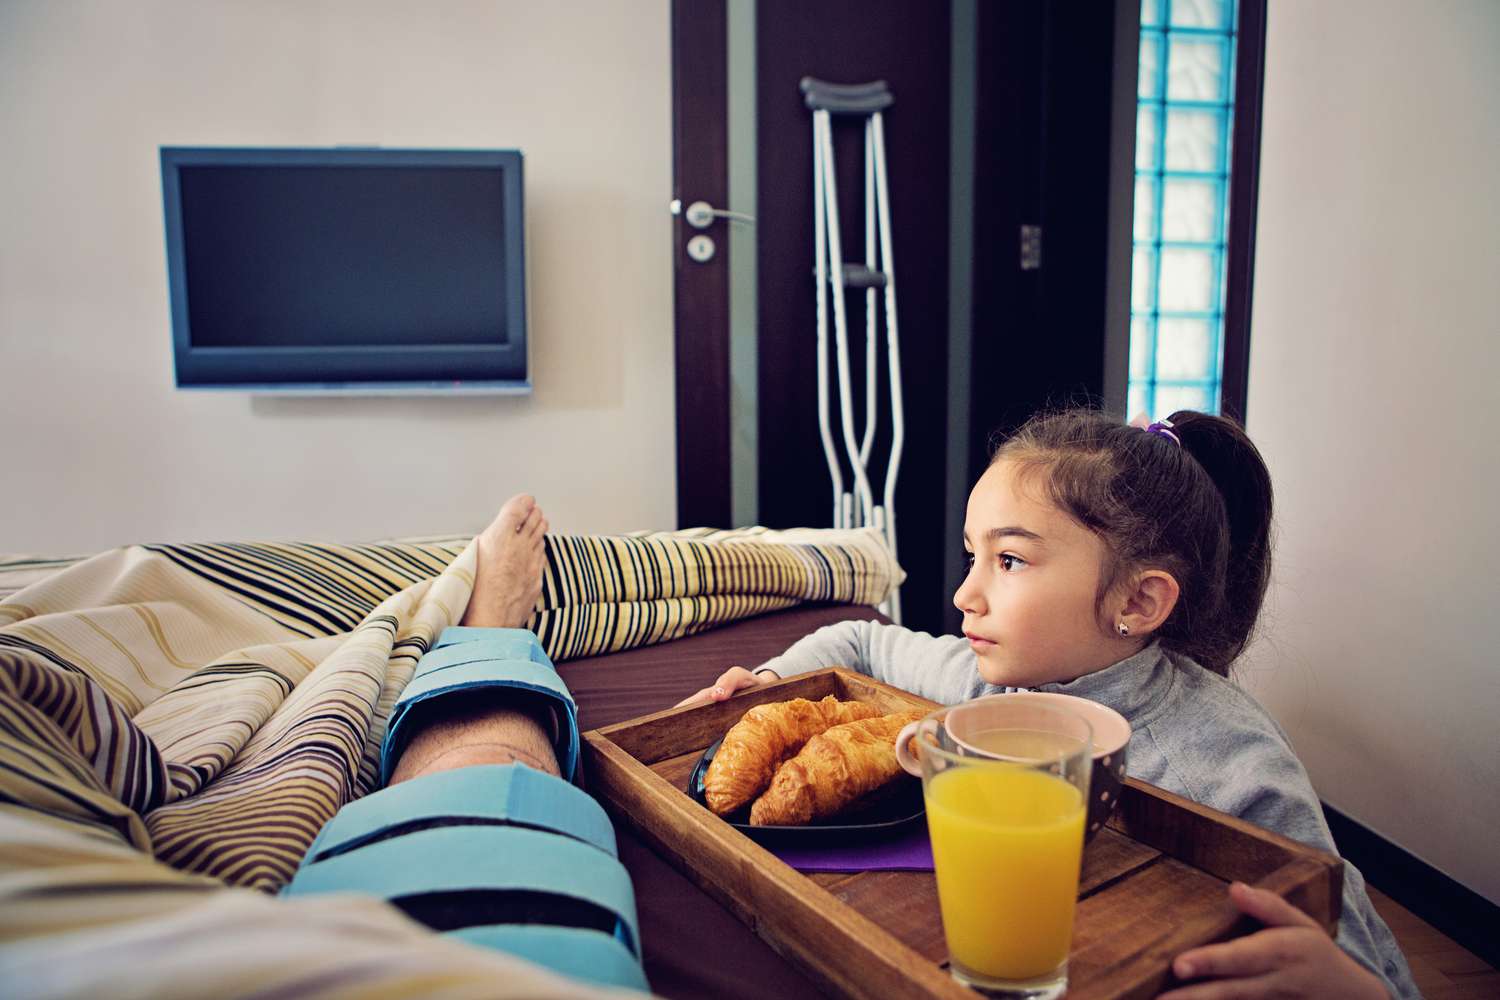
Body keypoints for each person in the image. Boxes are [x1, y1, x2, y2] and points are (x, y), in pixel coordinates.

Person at [678, 408, 1419, 1000]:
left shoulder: (1230, 768)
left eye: (1009, 560)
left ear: (1138, 599)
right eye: (973, 555)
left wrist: (1350, 987)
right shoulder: (988, 688)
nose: (966, 594)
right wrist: (767, 677)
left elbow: (1349, 945)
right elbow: (858, 642)